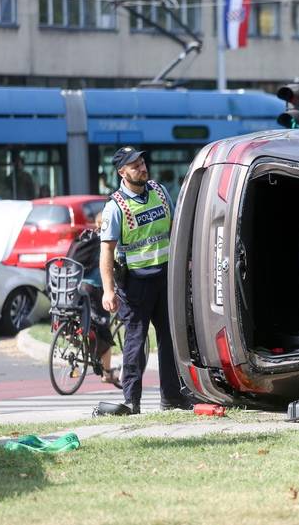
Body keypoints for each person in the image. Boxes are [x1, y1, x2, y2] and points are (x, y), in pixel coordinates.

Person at [99, 146, 191, 414]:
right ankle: (132, 401)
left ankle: (171, 397)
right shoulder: (115, 206)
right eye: (134, 165)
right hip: (136, 284)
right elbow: (106, 250)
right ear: (122, 172)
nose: (142, 167)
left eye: (142, 162)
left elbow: (175, 229)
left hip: (164, 278)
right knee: (136, 343)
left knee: (169, 339)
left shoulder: (160, 192)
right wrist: (108, 290)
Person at [67, 212, 118, 385]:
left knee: (88, 323)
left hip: (76, 287)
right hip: (94, 288)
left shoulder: (87, 237)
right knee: (104, 329)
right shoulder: (105, 242)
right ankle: (107, 373)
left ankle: (76, 337)